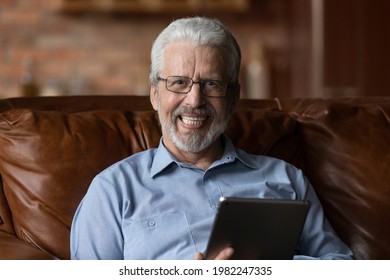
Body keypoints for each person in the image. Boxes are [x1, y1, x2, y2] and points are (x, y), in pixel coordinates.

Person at [70, 17, 353, 260]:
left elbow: (342, 266)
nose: (195, 100)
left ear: (233, 99)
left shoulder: (287, 180)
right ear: (155, 94)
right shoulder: (113, 191)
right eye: (179, 82)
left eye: (212, 84)